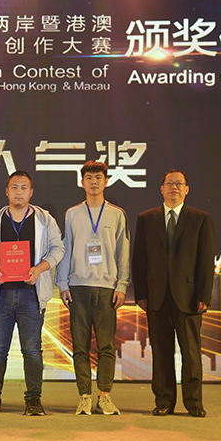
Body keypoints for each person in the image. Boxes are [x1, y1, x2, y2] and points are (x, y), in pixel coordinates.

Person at [0, 170, 64, 416]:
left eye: (24, 188)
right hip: (0, 294)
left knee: (32, 349)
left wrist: (39, 269)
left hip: (31, 294)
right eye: (14, 187)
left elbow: (58, 249)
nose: (19, 192)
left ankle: (33, 399)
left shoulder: (45, 219)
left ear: (31, 192)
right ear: (6, 191)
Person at [132, 169, 215, 418]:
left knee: (191, 353)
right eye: (169, 183)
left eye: (179, 184)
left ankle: (194, 403)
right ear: (161, 188)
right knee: (161, 353)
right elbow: (139, 259)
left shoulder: (201, 219)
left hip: (188, 297)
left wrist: (204, 295)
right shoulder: (146, 218)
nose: (174, 187)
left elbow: (205, 261)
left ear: (187, 189)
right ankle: (164, 401)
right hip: (156, 296)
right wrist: (141, 293)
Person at [55, 161, 130, 415]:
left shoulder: (117, 214)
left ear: (106, 181)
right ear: (82, 182)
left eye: (98, 177)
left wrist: (122, 285)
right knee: (80, 345)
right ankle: (84, 395)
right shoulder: (73, 213)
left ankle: (105, 395)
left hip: (107, 288)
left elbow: (123, 251)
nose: (94, 182)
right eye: (89, 178)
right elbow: (65, 249)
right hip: (78, 287)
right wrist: (63, 283)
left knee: (106, 346)